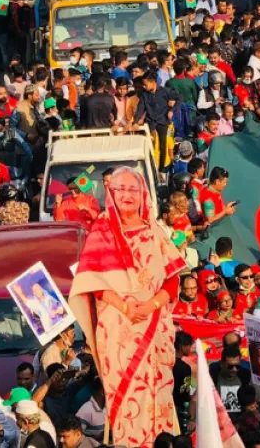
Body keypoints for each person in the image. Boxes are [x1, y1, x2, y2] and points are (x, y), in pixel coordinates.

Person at [68, 167, 187, 446]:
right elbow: (92, 282)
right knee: (125, 389)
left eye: (133, 189)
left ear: (143, 193)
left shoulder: (155, 232)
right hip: (118, 328)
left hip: (155, 325)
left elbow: (172, 282)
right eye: (120, 189)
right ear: (111, 192)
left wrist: (150, 305)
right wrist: (125, 306)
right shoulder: (101, 231)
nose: (126, 195)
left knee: (158, 389)